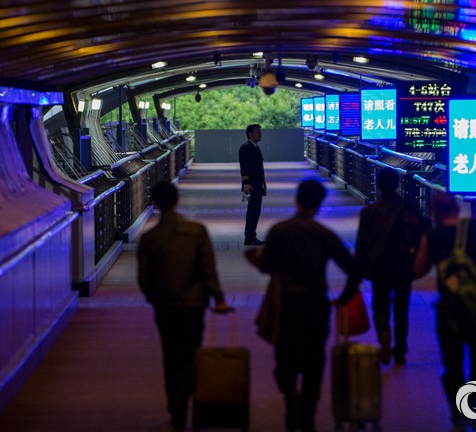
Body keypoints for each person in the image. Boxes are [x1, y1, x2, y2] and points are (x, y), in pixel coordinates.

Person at [247, 179, 361, 432]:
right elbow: (354, 270)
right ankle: (307, 414)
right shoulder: (324, 235)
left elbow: (266, 266)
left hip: (287, 305)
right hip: (316, 305)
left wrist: (254, 258)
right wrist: (343, 298)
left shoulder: (280, 231)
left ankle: (290, 395)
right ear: (318, 204)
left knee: (285, 356)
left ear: (297, 200)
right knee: (314, 361)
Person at [413, 193, 476, 432]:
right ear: (456, 208)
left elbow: (419, 269)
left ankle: (458, 417)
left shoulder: (432, 236)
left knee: (452, 365)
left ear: (435, 212)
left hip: (450, 312)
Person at [137, 182, 230, 432]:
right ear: (177, 200)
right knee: (191, 352)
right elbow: (208, 269)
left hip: (165, 305)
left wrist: (155, 298)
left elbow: (144, 278)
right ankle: (193, 399)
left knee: (170, 354)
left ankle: (176, 409)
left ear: (155, 203)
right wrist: (218, 298)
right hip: (193, 303)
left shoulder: (149, 239)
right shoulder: (196, 231)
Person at [354, 167, 428, 366]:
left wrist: (357, 271)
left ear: (378, 186)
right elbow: (424, 229)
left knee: (380, 306)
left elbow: (361, 244)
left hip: (378, 266)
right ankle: (400, 350)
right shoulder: (408, 208)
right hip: (403, 265)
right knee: (401, 309)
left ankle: (383, 333)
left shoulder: (369, 212)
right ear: (397, 184)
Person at [238, 123, 267, 245]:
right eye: (257, 132)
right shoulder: (246, 148)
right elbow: (244, 168)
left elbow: (260, 169)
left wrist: (263, 186)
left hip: (257, 185)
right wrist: (246, 184)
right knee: (252, 211)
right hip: (250, 186)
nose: (260, 135)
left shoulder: (255, 147)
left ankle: (251, 235)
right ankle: (249, 237)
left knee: (255, 211)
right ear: (250, 134)